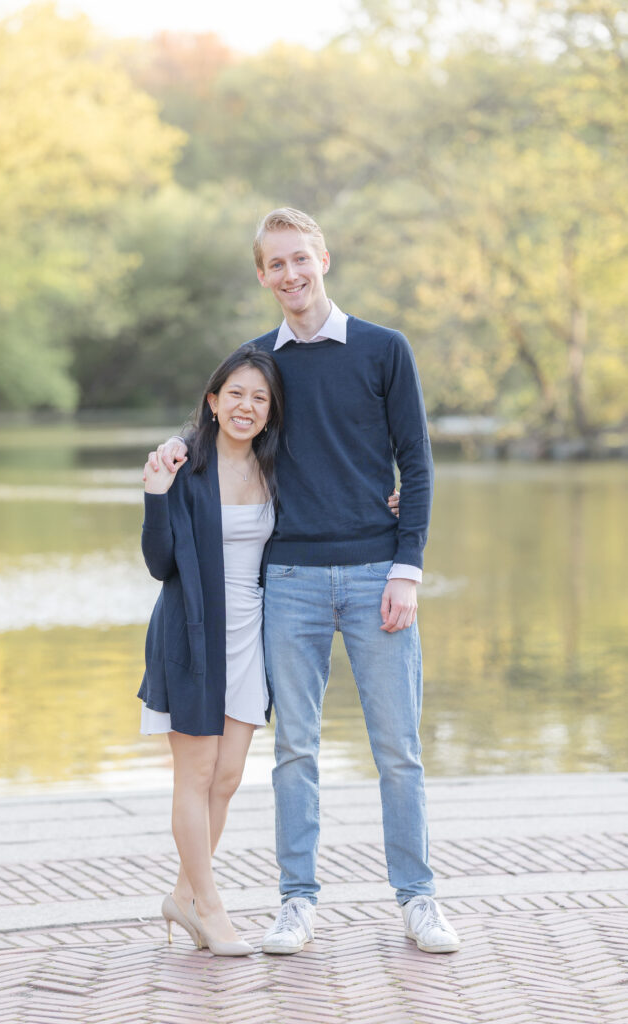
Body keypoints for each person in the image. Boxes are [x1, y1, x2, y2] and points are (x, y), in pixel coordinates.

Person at [151, 208, 460, 956]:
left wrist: (406, 569)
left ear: (323, 257)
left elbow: (414, 466)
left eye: (301, 259)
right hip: (285, 579)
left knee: (398, 749)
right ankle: (296, 902)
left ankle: (417, 899)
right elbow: (220, 425)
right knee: (295, 751)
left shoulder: (385, 350)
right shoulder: (258, 362)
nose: (291, 274)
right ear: (262, 276)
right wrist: (170, 447)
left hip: (375, 575)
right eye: (275, 265)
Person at [139, 345, 284, 956]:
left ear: (270, 412)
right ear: (213, 401)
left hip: (251, 634)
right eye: (236, 395)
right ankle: (213, 908)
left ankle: (182, 897)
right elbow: (159, 563)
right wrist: (154, 493)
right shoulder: (186, 467)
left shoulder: (278, 469)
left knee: (226, 779)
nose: (246, 406)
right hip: (193, 633)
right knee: (194, 776)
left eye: (259, 398)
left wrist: (388, 508)